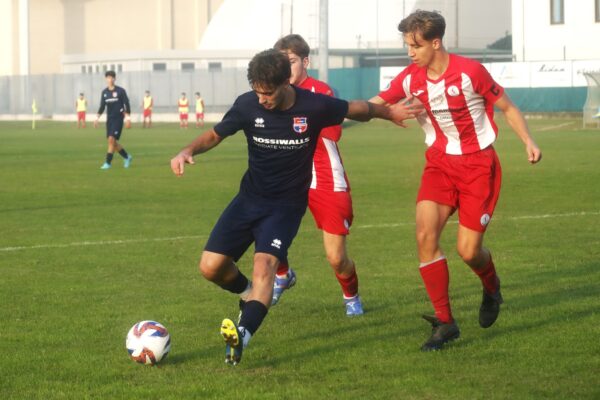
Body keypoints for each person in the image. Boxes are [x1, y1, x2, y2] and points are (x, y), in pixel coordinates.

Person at [170, 49, 422, 365]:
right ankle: (248, 294)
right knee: (210, 268)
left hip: (285, 207)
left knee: (266, 268)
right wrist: (186, 150)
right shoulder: (247, 104)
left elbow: (358, 108)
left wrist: (391, 112)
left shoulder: (314, 106)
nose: (262, 99)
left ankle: (242, 336)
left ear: (285, 82)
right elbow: (215, 134)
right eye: (258, 92)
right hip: (248, 200)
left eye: (268, 93)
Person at [370, 10, 542, 351]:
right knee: (424, 234)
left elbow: (506, 107)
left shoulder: (470, 72)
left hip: (478, 166)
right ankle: (446, 323)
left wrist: (528, 141)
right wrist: (334, 111)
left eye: (415, 46)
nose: (410, 53)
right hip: (438, 165)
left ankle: (491, 286)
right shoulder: (410, 77)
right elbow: (375, 103)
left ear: (436, 42)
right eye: (407, 45)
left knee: (468, 251)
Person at [272, 34, 362, 316]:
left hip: (325, 178)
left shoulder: (320, 92)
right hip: (287, 179)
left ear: (306, 61)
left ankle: (351, 296)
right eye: (282, 64)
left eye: (292, 62)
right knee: (266, 231)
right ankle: (283, 275)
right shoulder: (273, 93)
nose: (287, 70)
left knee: (336, 257)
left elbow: (333, 132)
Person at [94, 70, 133, 170]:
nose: (110, 79)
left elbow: (126, 105)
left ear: (115, 79)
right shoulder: (104, 92)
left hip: (118, 119)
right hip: (109, 120)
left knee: (111, 140)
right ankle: (127, 157)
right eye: (108, 77)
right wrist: (96, 118)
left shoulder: (120, 91)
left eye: (112, 77)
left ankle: (108, 163)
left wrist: (128, 119)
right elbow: (102, 106)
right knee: (113, 142)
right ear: (106, 79)